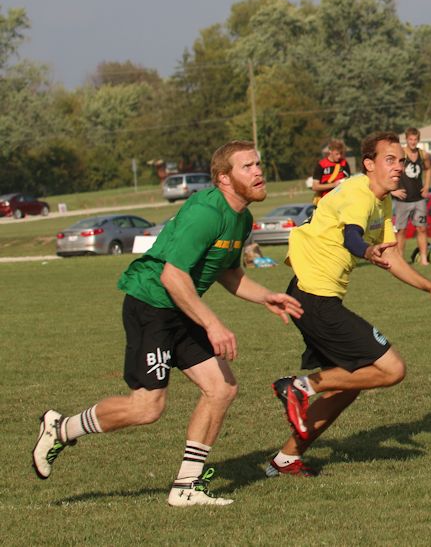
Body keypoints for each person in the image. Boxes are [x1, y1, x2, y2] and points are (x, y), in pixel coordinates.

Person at [32, 141, 302, 506]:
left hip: (181, 307)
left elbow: (227, 272)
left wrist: (266, 295)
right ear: (224, 178)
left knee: (221, 388)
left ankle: (186, 487)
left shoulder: (241, 218)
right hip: (152, 305)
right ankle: (62, 428)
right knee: (147, 408)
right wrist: (213, 324)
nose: (258, 172)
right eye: (247, 167)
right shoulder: (206, 213)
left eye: (258, 164)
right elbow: (172, 276)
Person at [268, 132, 431, 478]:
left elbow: (391, 256)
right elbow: (352, 236)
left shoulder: (380, 200)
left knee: (348, 385)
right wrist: (366, 250)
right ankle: (298, 387)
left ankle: (286, 459)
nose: (398, 167)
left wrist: (430, 285)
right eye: (390, 160)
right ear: (369, 164)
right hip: (313, 297)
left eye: (401, 161)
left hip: (312, 295)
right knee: (392, 369)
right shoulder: (359, 193)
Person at [391, 127, 431, 265]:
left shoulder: (422, 154)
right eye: (410, 139)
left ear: (418, 140)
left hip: (419, 199)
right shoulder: (400, 154)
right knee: (401, 230)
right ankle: (401, 261)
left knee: (422, 228)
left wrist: (427, 186)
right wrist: (393, 191)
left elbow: (428, 169)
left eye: (415, 139)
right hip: (403, 199)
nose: (413, 142)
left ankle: (424, 259)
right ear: (406, 139)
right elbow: (389, 171)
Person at [312, 139, 350, 203]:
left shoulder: (344, 163)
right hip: (325, 201)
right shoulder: (321, 165)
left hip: (341, 200)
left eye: (341, 153)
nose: (339, 156)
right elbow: (315, 187)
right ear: (330, 151)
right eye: (337, 154)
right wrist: (334, 185)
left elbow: (348, 180)